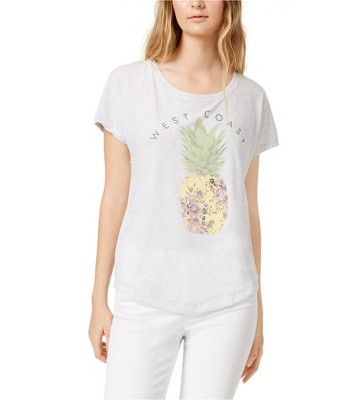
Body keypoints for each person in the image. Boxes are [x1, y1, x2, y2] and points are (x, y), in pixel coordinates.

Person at [88, 1, 279, 399]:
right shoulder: (128, 85)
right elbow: (114, 198)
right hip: (143, 293)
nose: (197, 3)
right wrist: (98, 299)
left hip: (229, 301)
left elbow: (249, 209)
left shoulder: (251, 98)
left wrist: (258, 309)